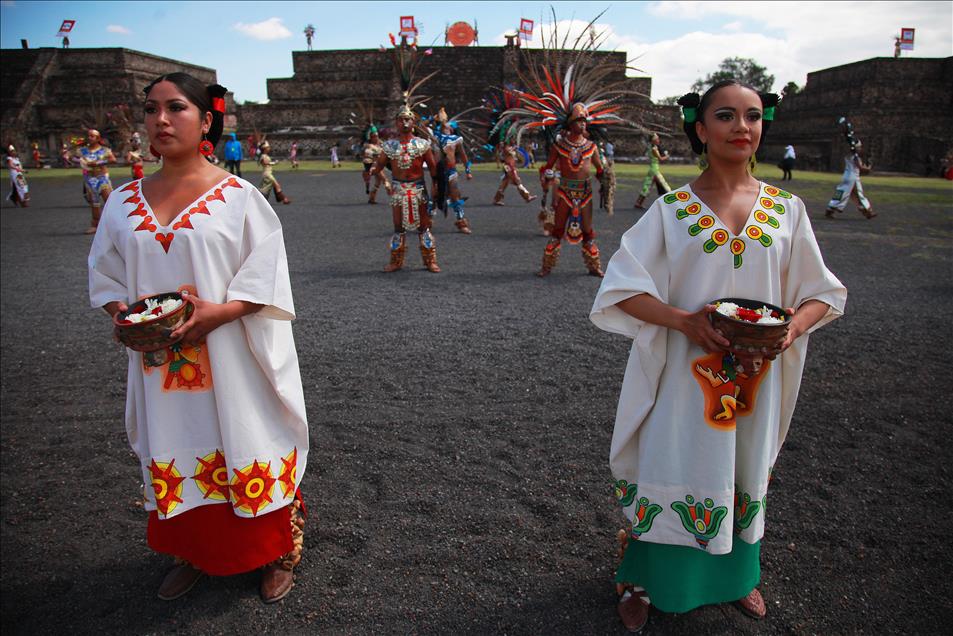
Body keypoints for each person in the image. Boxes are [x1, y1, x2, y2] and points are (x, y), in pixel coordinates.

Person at [590, 80, 847, 633]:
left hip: (757, 376)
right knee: (675, 462)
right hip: (686, 375)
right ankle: (644, 578)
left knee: (744, 464)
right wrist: (684, 321)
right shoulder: (672, 210)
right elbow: (619, 289)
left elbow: (821, 292)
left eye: (753, 117)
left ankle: (737, 579)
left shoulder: (786, 209)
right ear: (701, 129)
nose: (742, 127)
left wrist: (790, 329)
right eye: (726, 116)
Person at [87, 72, 309, 605]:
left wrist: (223, 312)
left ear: (206, 120)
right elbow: (106, 272)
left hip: (233, 354)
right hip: (160, 362)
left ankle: (277, 549)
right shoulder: (122, 200)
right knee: (177, 443)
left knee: (247, 436)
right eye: (151, 109)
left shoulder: (239, 197)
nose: (160, 120)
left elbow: (267, 272)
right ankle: (195, 552)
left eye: (176, 108)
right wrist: (127, 315)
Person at [368, 102, 440, 272]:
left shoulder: (422, 144)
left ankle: (430, 260)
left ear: (413, 123)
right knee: (398, 228)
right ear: (396, 123)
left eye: (408, 119)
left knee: (424, 227)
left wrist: (436, 187)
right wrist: (373, 169)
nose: (405, 123)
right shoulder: (389, 146)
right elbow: (379, 165)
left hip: (419, 188)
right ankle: (396, 261)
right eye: (401, 120)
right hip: (398, 190)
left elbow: (433, 169)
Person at [432, 108, 474, 234]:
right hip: (438, 172)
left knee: (455, 197)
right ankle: (426, 222)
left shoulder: (456, 139)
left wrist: (468, 170)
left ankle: (461, 222)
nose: (447, 126)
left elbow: (463, 156)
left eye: (449, 125)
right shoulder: (434, 138)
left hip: (451, 172)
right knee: (434, 196)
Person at [825, 136, 875, 219]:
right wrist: (868, 168)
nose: (860, 149)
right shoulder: (855, 157)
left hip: (846, 176)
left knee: (841, 192)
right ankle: (868, 210)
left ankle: (830, 208)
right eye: (859, 147)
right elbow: (860, 167)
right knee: (859, 194)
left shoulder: (848, 155)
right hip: (853, 177)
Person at [79, 128, 117, 234]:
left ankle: (115, 224)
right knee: (94, 202)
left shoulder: (104, 150)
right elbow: (72, 158)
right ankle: (95, 224)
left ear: (97, 138)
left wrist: (98, 163)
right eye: (89, 136)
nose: (89, 138)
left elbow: (113, 160)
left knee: (109, 200)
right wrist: (81, 162)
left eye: (92, 136)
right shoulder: (83, 150)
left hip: (102, 177)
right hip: (90, 179)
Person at [493, 140, 536, 206]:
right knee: (517, 181)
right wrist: (514, 148)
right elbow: (508, 152)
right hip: (509, 167)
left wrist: (515, 149)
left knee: (504, 183)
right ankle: (527, 197)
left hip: (510, 166)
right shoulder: (506, 148)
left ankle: (496, 199)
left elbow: (515, 156)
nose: (513, 141)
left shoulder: (509, 148)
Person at [634, 133, 670, 210]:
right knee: (665, 186)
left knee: (647, 187)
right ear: (653, 140)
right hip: (654, 169)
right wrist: (667, 156)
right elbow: (660, 159)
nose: (658, 140)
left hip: (653, 168)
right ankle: (672, 202)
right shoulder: (654, 149)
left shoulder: (652, 147)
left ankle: (638, 202)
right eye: (657, 139)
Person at [361, 126, 387, 204]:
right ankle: (393, 195)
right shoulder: (368, 146)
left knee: (378, 182)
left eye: (377, 136)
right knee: (385, 180)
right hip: (373, 166)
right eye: (374, 136)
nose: (376, 138)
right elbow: (367, 156)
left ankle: (372, 198)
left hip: (379, 165)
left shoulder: (381, 143)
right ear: (371, 137)